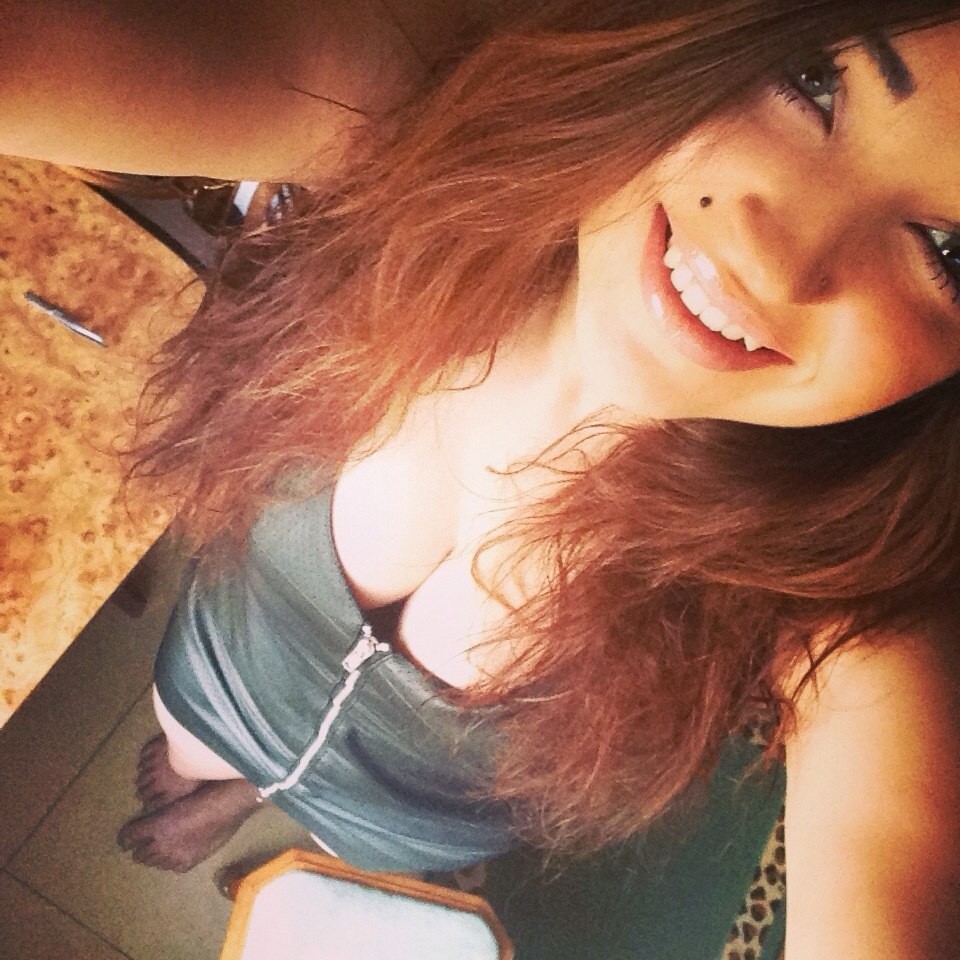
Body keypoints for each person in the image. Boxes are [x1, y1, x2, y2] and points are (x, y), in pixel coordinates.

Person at [4, 1, 960, 956]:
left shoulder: (831, 581)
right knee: (188, 744)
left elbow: (888, 857)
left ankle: (240, 798)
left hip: (399, 815)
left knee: (307, 824)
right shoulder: (445, 121)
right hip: (226, 676)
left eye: (950, 250)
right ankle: (217, 772)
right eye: (812, 81)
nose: (778, 260)